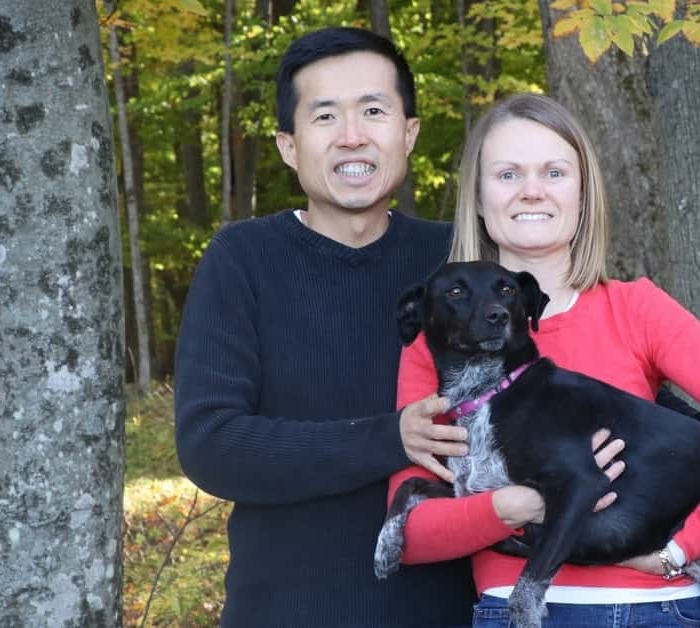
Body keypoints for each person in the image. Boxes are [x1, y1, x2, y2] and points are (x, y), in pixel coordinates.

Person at [388, 93, 700, 626]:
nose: (532, 191)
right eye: (507, 174)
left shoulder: (635, 308)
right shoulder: (438, 338)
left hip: (650, 610)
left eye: (554, 172)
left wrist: (678, 549)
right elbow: (414, 536)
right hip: (512, 612)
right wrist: (522, 502)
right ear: (476, 196)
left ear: (584, 193)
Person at [173, 27, 482, 626]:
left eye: (373, 110)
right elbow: (211, 444)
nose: (352, 136)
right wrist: (390, 438)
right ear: (289, 145)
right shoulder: (243, 259)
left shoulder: (459, 259)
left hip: (450, 610)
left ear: (408, 132)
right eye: (324, 117)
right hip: (285, 610)